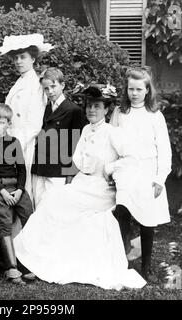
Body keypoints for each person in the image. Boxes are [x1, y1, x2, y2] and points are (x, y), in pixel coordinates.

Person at [13, 84, 147, 290]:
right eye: (88, 106)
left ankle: (45, 259)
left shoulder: (112, 132)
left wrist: (111, 168)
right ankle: (37, 257)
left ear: (106, 109)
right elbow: (79, 160)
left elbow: (132, 157)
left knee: (60, 201)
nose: (91, 110)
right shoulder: (85, 129)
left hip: (101, 188)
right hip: (82, 183)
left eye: (96, 106)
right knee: (52, 200)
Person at [110, 67, 172, 281]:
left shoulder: (155, 115)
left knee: (147, 219)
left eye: (139, 89)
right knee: (123, 215)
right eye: (130, 89)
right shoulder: (120, 113)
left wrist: (159, 179)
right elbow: (110, 142)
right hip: (126, 170)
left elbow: (164, 149)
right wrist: (111, 168)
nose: (134, 93)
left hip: (147, 171)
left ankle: (146, 267)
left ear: (147, 90)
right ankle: (123, 262)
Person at [0, 34, 53, 203]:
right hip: (13, 140)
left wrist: (16, 144)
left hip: (26, 143)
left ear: (33, 59)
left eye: (23, 57)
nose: (18, 61)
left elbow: (35, 121)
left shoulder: (36, 85)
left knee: (25, 187)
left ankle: (26, 226)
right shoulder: (19, 82)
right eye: (16, 58)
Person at [0, 103, 33, 285]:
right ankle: (11, 268)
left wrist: (19, 190)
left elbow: (21, 169)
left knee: (29, 215)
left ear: (8, 124)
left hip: (15, 187)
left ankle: (28, 263)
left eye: (1, 122)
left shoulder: (14, 142)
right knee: (4, 220)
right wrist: (3, 192)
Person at [31, 67, 86, 208]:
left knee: (54, 209)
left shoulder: (74, 110)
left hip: (58, 171)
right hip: (40, 168)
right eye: (46, 88)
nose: (50, 91)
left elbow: (77, 146)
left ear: (62, 85)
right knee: (38, 209)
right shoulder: (44, 108)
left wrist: (71, 174)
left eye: (53, 86)